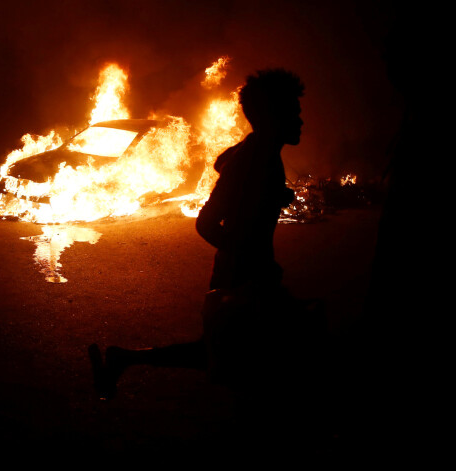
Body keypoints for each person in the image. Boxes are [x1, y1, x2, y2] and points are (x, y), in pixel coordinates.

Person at [89, 69, 309, 400]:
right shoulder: (253, 159)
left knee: (224, 352)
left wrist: (273, 195)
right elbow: (206, 222)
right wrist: (249, 259)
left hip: (251, 274)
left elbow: (224, 162)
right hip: (242, 277)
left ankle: (124, 358)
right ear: (272, 116)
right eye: (293, 111)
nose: (301, 119)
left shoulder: (258, 151)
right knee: (255, 362)